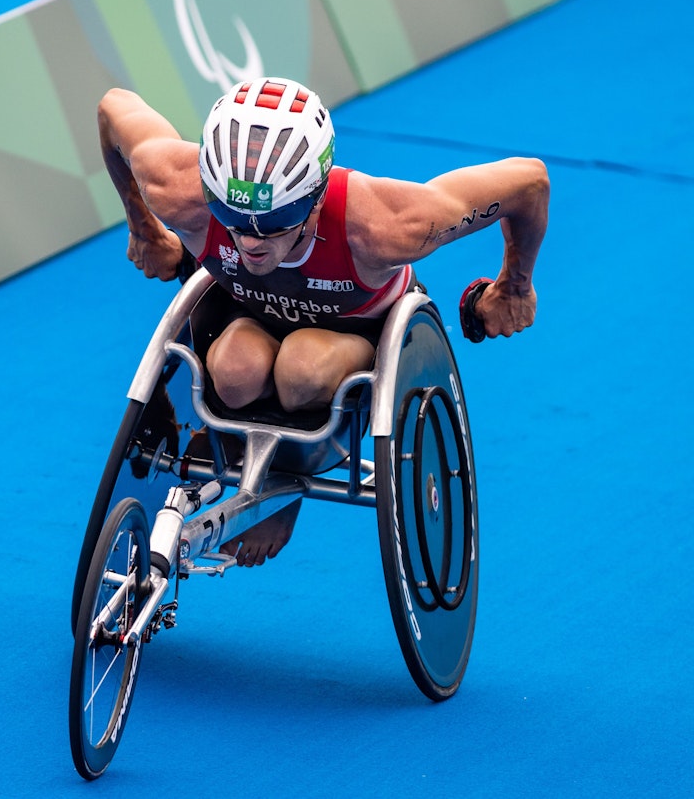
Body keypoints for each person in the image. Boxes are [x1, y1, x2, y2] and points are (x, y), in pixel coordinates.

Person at [99, 76, 548, 566]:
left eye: (273, 226)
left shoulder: (388, 225)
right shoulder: (175, 185)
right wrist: (144, 227)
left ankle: (284, 480)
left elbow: (529, 181)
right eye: (230, 218)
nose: (250, 243)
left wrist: (514, 286)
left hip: (351, 333)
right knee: (232, 369)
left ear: (315, 199)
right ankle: (239, 437)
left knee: (301, 368)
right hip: (247, 313)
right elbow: (113, 107)